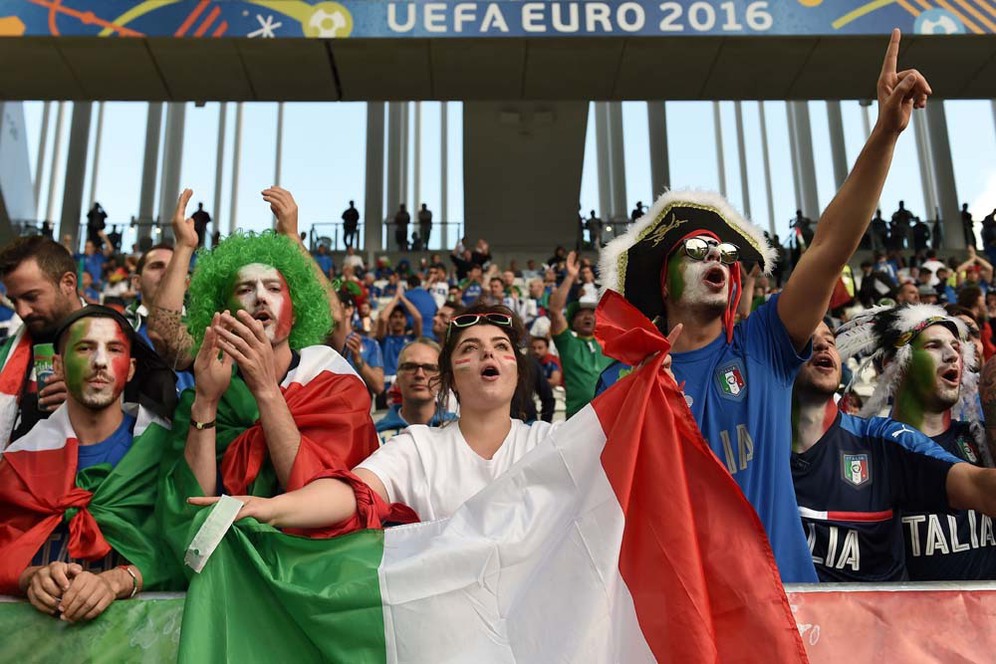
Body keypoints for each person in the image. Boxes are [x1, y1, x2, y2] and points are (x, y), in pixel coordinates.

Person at [598, 28, 932, 583]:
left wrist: (885, 134)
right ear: (664, 284)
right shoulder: (621, 380)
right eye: (698, 251)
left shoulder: (764, 345)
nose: (719, 257)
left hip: (783, 606)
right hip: (681, 614)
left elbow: (829, 247)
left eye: (726, 253)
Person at [153, 188, 379, 563]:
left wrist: (291, 237)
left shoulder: (329, 379)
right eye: (245, 289)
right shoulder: (209, 388)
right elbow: (190, 511)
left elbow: (317, 495)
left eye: (274, 288)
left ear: (296, 308)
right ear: (224, 312)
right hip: (229, 565)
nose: (260, 297)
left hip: (313, 566)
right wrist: (206, 402)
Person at [191, 303, 557, 526]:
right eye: (470, 348)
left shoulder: (553, 443)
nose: (488, 355)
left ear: (518, 370)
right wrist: (272, 508)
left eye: (501, 346)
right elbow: (352, 492)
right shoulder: (417, 447)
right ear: (449, 379)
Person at [0, 306, 181, 618]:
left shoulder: (166, 452)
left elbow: (190, 548)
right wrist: (30, 577)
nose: (100, 361)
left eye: (114, 349)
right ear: (57, 365)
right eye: (85, 348)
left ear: (131, 368)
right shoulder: (19, 461)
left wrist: (121, 580)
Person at [792, 319, 996, 582]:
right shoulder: (876, 445)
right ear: (893, 363)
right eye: (934, 345)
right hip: (900, 606)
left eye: (957, 347)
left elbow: (982, 487)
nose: (952, 355)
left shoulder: (979, 439)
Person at [0, 237, 83, 446]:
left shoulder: (115, 341)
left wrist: (91, 400)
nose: (22, 311)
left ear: (68, 283)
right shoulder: (8, 352)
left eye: (31, 297)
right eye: (14, 301)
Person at [550, 252, 613, 418]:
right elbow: (555, 310)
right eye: (581, 314)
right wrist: (570, 277)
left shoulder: (610, 344)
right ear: (572, 322)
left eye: (592, 314)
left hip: (609, 415)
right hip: (577, 415)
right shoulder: (567, 342)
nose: (587, 317)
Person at [375, 338, 454, 440]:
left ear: (441, 380)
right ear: (397, 379)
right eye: (410, 367)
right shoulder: (375, 435)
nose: (419, 375)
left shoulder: (460, 429)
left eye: (429, 368)